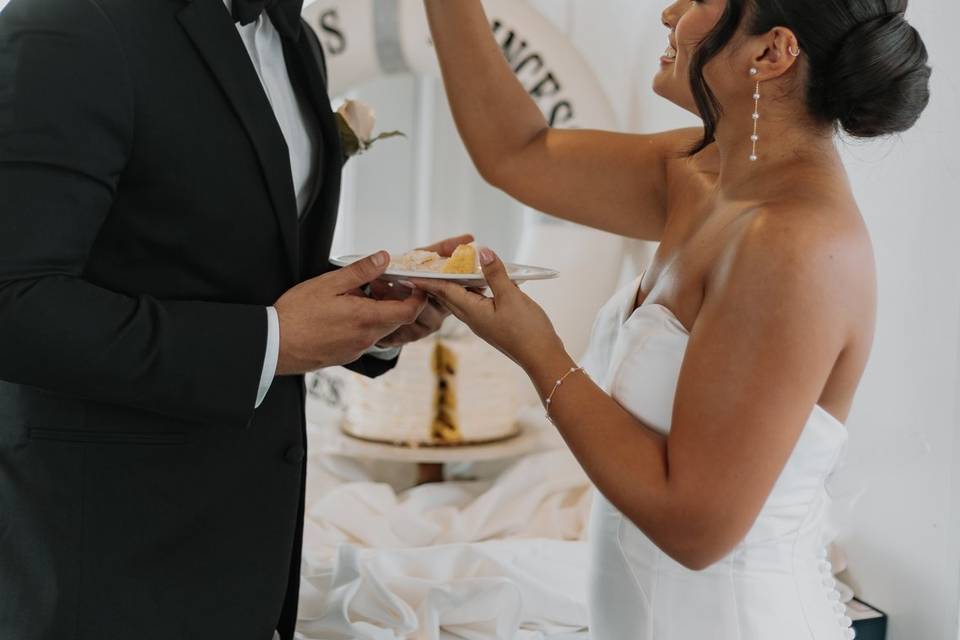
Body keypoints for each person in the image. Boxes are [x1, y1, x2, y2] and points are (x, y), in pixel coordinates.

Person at [416, 0, 931, 638]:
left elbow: (695, 527)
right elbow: (515, 152)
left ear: (771, 53)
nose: (670, 12)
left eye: (699, 0)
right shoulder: (705, 174)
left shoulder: (797, 243)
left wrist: (535, 349)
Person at [0, 0, 464, 637]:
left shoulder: (295, 39)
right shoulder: (71, 22)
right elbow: (13, 301)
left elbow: (227, 258)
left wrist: (371, 314)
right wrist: (269, 344)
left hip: (248, 557)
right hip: (101, 558)